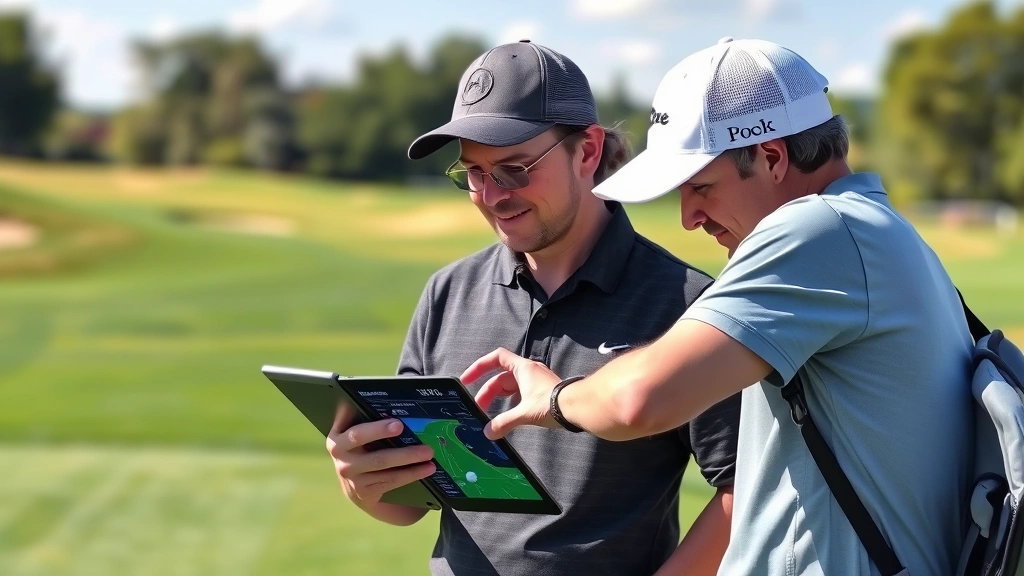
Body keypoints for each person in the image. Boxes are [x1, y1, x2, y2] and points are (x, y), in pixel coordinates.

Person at [460, 37, 975, 576]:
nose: (689, 217)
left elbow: (640, 400)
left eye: (701, 186)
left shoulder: (818, 232)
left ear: (771, 157)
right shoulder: (874, 230)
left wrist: (557, 396)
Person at [324, 40, 743, 576]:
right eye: (473, 173)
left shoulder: (685, 303)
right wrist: (361, 480)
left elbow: (741, 486)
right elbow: (409, 500)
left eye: (515, 169)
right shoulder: (448, 292)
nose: (493, 195)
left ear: (588, 151)